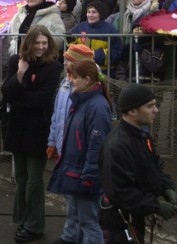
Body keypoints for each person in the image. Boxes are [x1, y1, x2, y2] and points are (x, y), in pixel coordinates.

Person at [1, 25, 62, 243]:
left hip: (38, 130)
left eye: (44, 43)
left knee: (34, 180)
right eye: (37, 43)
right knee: (21, 178)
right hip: (17, 128)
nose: (41, 47)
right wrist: (19, 74)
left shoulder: (53, 67)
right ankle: (23, 219)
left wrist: (19, 96)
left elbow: (42, 101)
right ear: (29, 43)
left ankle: (35, 225)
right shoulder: (17, 61)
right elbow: (6, 93)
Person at [99, 84, 177, 243]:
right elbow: (119, 192)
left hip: (135, 217)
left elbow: (154, 167)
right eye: (150, 106)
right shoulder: (117, 146)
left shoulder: (144, 137)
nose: (156, 110)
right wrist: (156, 206)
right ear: (132, 111)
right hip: (118, 224)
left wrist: (167, 187)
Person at [47, 59, 112, 244]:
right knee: (80, 218)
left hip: (84, 175)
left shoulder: (97, 107)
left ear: (87, 79)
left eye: (75, 77)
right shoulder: (81, 101)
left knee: (89, 222)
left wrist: (89, 177)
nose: (71, 80)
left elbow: (96, 146)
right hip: (75, 172)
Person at [4, 0, 65, 69]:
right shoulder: (20, 13)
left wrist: (38, 49)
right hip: (18, 60)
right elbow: (9, 36)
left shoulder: (52, 15)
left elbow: (58, 40)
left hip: (41, 63)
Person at [71, 0, 122, 76]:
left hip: (103, 72)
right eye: (88, 12)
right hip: (82, 69)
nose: (90, 15)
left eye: (94, 12)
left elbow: (116, 52)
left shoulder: (110, 30)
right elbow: (71, 45)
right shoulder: (80, 27)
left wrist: (95, 54)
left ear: (101, 14)